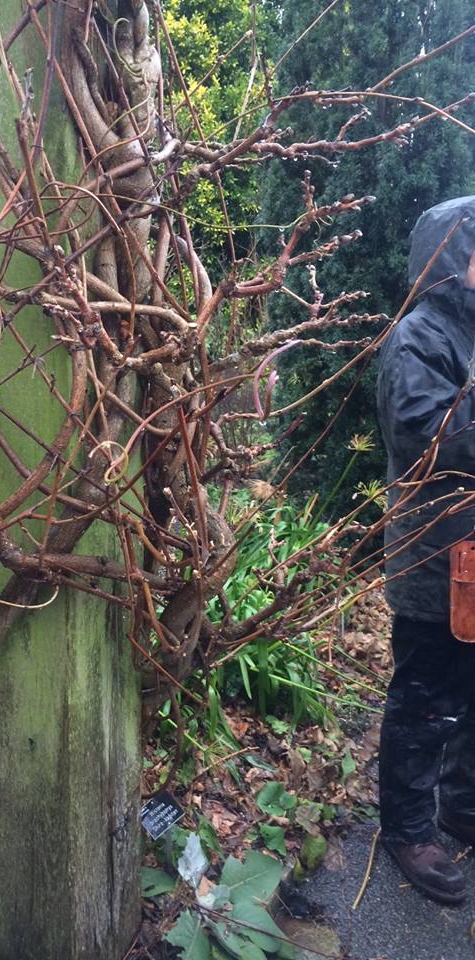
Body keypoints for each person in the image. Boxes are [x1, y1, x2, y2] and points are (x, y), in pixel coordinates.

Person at [377, 195, 475, 905]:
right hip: (435, 559)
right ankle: (407, 831)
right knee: (424, 697)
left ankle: (461, 808)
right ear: (450, 259)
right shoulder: (418, 336)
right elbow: (426, 439)